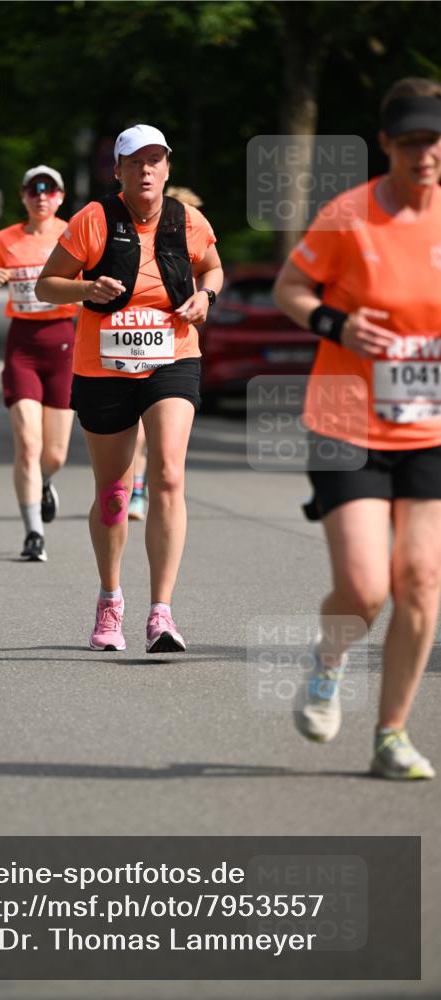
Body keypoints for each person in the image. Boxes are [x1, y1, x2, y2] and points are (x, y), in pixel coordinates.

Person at [273, 77, 441, 779]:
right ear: (385, 145)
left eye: (432, 141)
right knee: (367, 586)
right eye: (408, 143)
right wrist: (337, 324)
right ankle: (329, 658)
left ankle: (391, 735)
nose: (423, 156)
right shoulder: (348, 216)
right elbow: (289, 289)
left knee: (422, 580)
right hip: (346, 418)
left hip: (429, 425)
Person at [36, 124, 222, 651]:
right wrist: (86, 287)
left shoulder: (189, 220)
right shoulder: (93, 220)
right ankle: (111, 599)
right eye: (135, 162)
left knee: (167, 472)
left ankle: (161, 613)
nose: (146, 170)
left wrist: (206, 296)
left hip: (173, 357)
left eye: (155, 160)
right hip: (104, 368)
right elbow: (48, 285)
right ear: (117, 170)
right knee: (114, 495)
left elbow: (213, 267)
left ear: (167, 168)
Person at [0, 166, 78, 563]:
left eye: (49, 190)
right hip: (22, 344)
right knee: (28, 443)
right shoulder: (6, 239)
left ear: (60, 197)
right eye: (34, 190)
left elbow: (91, 284)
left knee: (55, 453)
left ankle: (46, 482)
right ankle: (33, 532)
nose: (41, 196)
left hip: (63, 343)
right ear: (23, 196)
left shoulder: (72, 234)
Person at [127, 187, 206, 523]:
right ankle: (135, 489)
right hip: (129, 350)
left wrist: (203, 299)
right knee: (139, 434)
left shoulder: (195, 237)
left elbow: (210, 278)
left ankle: (141, 489)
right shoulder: (135, 237)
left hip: (175, 349)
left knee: (167, 455)